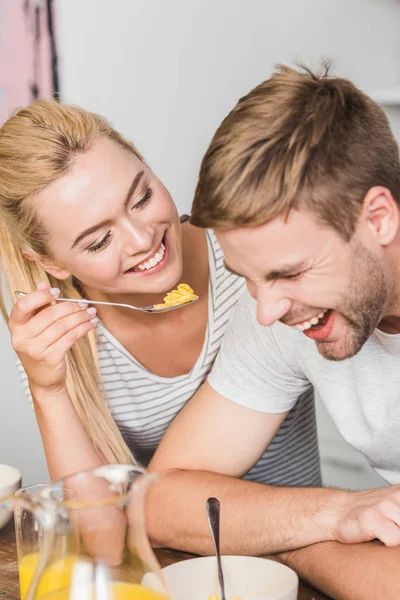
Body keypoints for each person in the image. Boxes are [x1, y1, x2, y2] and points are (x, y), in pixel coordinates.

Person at [147, 65, 400, 597]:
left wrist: (281, 539)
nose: (266, 310)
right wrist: (336, 514)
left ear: (378, 219)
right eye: (248, 277)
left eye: (288, 272)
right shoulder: (281, 304)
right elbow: (163, 499)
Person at [0, 100, 320, 488]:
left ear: (145, 161)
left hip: (309, 535)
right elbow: (98, 529)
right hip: (175, 547)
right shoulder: (59, 338)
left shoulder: (246, 259)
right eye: (100, 241)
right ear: (51, 264)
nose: (142, 238)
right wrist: (47, 392)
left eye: (142, 198)